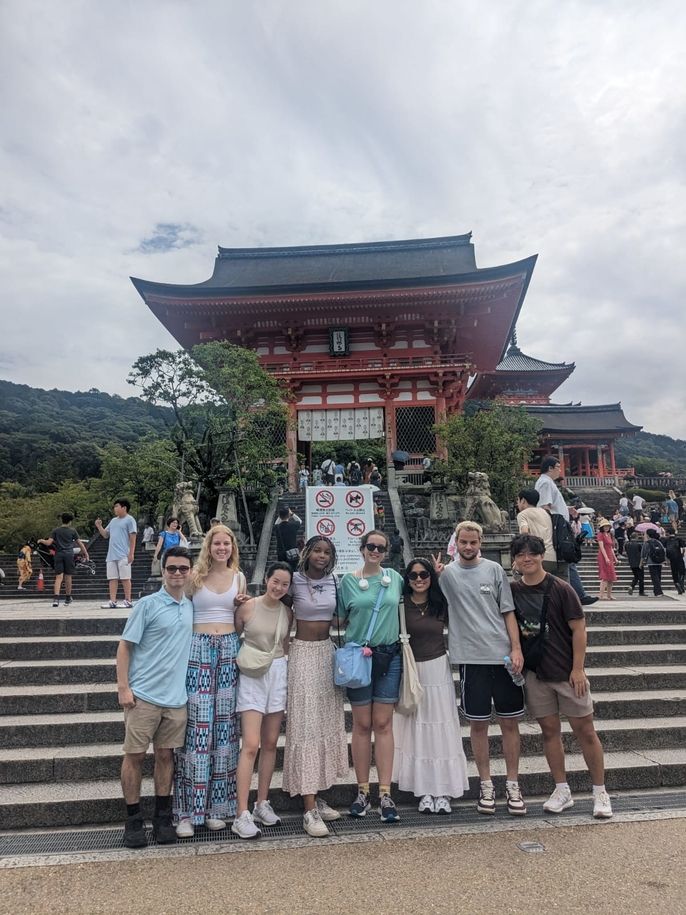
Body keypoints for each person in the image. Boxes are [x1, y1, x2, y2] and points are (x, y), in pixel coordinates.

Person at [509, 534, 613, 819]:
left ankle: (600, 790)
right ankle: (561, 788)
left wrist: (578, 668)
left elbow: (579, 629)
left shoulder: (561, 588)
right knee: (549, 732)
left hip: (567, 672)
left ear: (542, 555)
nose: (526, 559)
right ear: (515, 560)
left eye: (531, 553)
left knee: (586, 731)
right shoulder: (514, 590)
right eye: (520, 555)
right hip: (536, 673)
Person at [436, 521, 526, 816]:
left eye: (473, 542)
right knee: (477, 724)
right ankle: (486, 783)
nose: (469, 547)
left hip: (501, 656)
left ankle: (513, 783)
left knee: (509, 722)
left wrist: (515, 648)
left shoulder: (494, 570)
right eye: (463, 542)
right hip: (471, 659)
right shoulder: (447, 575)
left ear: (481, 542)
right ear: (456, 542)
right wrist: (436, 575)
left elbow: (508, 611)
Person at [116, 546, 194, 848]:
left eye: (183, 569)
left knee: (165, 756)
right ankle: (133, 818)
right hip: (143, 696)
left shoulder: (190, 606)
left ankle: (163, 816)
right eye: (172, 568)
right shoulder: (147, 605)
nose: (177, 573)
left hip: (176, 698)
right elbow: (125, 647)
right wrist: (124, 686)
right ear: (163, 571)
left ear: (189, 572)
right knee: (134, 755)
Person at [174, 525, 247, 837]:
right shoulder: (195, 577)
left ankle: (218, 807)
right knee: (197, 728)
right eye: (216, 543)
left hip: (230, 649)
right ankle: (188, 810)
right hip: (199, 649)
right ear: (208, 546)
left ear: (232, 547)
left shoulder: (239, 578)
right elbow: (181, 612)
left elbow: (241, 621)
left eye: (226, 543)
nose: (221, 548)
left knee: (225, 729)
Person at [337, 530, 404, 823]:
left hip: (389, 656)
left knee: (383, 723)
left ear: (386, 552)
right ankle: (363, 789)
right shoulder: (348, 582)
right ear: (362, 549)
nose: (375, 551)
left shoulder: (395, 579)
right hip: (359, 659)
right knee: (362, 724)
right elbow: (338, 618)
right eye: (370, 546)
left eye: (380, 547)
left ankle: (386, 791)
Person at [282, 537, 347, 837]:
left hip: (327, 653)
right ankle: (308, 807)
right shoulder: (294, 581)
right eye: (317, 551)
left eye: (327, 552)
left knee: (325, 725)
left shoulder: (336, 581)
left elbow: (344, 614)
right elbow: (279, 613)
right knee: (306, 726)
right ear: (307, 553)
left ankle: (318, 793)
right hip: (302, 653)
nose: (322, 556)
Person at [393, 558, 469, 814]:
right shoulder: (401, 605)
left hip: (438, 669)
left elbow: (463, 600)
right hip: (414, 672)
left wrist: (444, 575)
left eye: (423, 574)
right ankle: (424, 789)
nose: (418, 579)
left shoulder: (440, 603)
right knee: (417, 731)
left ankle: (443, 790)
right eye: (413, 576)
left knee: (441, 728)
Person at [232, 562, 293, 839]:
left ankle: (261, 803)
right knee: (251, 744)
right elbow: (235, 636)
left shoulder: (287, 612)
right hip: (253, 674)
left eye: (285, 584)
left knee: (270, 743)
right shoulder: (247, 607)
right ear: (266, 578)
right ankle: (240, 812)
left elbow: (286, 645)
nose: (278, 587)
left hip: (277, 671)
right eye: (275, 581)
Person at [37, 513, 89, 607]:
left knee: (58, 577)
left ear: (62, 520)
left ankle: (56, 599)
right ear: (70, 521)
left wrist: (41, 540)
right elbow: (80, 543)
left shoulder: (56, 530)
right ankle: (68, 598)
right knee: (68, 577)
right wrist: (86, 553)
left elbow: (49, 543)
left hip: (59, 555)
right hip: (69, 555)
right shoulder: (72, 531)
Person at [95, 499, 137, 609]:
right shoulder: (113, 521)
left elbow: (133, 537)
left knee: (125, 578)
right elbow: (105, 535)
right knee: (112, 578)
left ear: (124, 508)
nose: (115, 508)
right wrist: (99, 526)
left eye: (117, 506)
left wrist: (131, 553)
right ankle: (113, 601)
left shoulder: (130, 520)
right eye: (114, 507)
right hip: (111, 555)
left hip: (124, 554)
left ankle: (128, 600)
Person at [516, 490, 558, 576]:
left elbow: (524, 534)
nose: (517, 504)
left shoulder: (523, 514)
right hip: (552, 557)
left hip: (534, 558)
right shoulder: (545, 513)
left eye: (518, 500)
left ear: (523, 500)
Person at [595, 519, 618, 601]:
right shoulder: (600, 534)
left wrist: (615, 558)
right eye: (605, 526)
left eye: (607, 526)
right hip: (603, 556)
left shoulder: (609, 534)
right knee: (604, 576)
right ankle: (601, 595)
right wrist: (606, 558)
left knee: (611, 576)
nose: (606, 527)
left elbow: (611, 548)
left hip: (609, 555)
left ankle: (609, 594)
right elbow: (602, 547)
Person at [274, 506, 301, 571]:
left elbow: (276, 523)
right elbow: (299, 521)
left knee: (282, 571)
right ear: (289, 515)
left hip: (281, 554)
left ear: (280, 516)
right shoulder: (293, 525)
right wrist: (292, 514)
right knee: (293, 571)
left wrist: (280, 515)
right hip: (293, 554)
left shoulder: (277, 527)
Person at [641, 529, 665, 597]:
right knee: (658, 576)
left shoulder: (647, 543)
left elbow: (643, 554)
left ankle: (658, 592)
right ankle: (657, 591)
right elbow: (663, 550)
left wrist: (641, 563)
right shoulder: (658, 542)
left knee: (654, 577)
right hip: (659, 562)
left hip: (651, 562)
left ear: (648, 535)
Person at [664, 527, 685, 594]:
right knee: (682, 572)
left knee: (674, 572)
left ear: (668, 533)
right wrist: (682, 554)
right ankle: (681, 584)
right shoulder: (679, 539)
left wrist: (666, 559)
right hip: (679, 557)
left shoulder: (666, 540)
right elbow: (683, 548)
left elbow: (665, 550)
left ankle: (676, 583)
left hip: (671, 559)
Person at [625, 532, 645, 596]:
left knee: (636, 576)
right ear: (636, 537)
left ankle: (632, 586)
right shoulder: (639, 544)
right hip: (639, 563)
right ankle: (641, 592)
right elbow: (642, 554)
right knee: (641, 578)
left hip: (631, 563)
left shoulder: (627, 544)